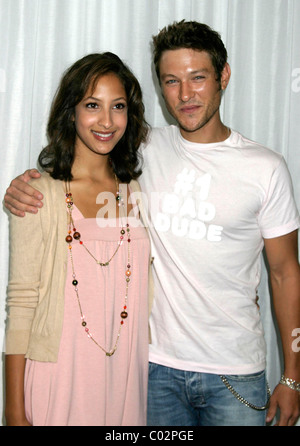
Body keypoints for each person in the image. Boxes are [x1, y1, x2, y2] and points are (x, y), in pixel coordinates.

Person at [4, 21, 300, 426]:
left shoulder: (266, 168)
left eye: (198, 78)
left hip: (234, 372)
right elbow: (89, 149)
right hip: (154, 370)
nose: (186, 94)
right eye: (172, 80)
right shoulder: (148, 150)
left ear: (223, 76)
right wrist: (21, 187)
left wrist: (293, 375)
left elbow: (285, 273)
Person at [4, 52, 151, 426]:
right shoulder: (41, 193)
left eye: (118, 106)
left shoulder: (137, 191)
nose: (106, 120)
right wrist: (13, 409)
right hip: (60, 377)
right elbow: (21, 302)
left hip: (126, 378)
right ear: (71, 112)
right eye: (92, 105)